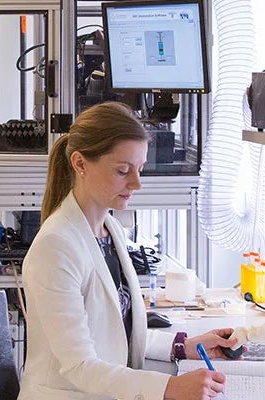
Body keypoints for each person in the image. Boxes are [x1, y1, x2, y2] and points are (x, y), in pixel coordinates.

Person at [19, 102, 238, 400]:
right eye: (123, 171)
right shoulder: (56, 248)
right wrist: (169, 388)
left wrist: (181, 346)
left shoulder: (111, 230)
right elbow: (80, 366)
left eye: (140, 169)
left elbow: (114, 334)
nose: (137, 183)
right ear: (80, 164)